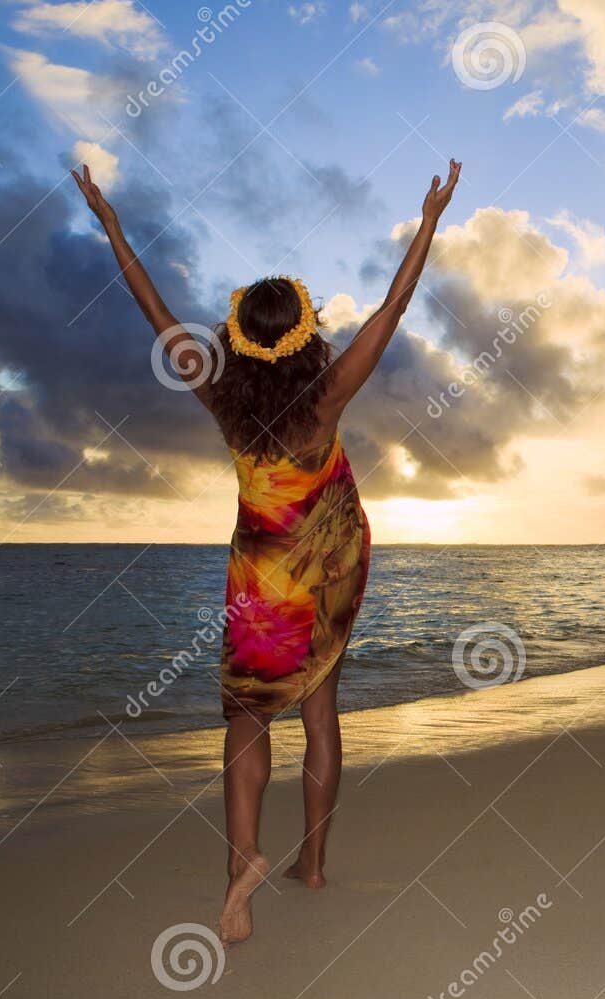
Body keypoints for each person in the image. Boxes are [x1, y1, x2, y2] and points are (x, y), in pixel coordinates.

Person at [70, 158, 462, 944]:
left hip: (258, 582)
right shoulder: (327, 398)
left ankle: (240, 860)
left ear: (238, 340)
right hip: (325, 576)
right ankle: (311, 863)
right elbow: (393, 305)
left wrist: (111, 225)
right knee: (321, 711)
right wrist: (428, 220)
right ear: (307, 335)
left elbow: (155, 312)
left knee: (247, 716)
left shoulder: (219, 397)